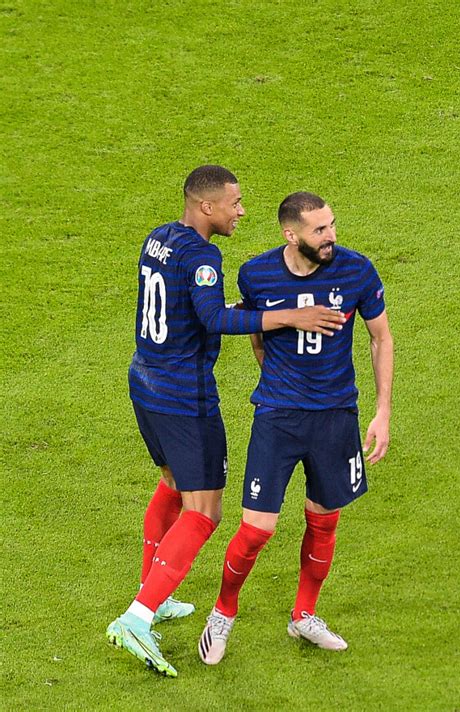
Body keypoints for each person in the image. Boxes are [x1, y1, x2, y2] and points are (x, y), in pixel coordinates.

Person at [106, 170, 346, 677]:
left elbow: (187, 307)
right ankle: (138, 617)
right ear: (207, 208)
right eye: (234, 203)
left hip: (143, 378)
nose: (240, 211)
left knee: (171, 483)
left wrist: (241, 307)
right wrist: (289, 318)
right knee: (204, 511)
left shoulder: (159, 239)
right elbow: (213, 319)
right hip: (182, 395)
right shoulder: (204, 256)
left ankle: (153, 591)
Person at [199, 191, 393, 665]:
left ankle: (304, 614)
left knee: (324, 519)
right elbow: (255, 331)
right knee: (257, 528)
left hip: (335, 417)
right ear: (291, 234)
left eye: (331, 226)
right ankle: (223, 612)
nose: (331, 237)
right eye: (319, 230)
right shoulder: (258, 272)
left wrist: (382, 410)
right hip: (278, 417)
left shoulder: (357, 270)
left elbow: (380, 337)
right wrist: (276, 378)